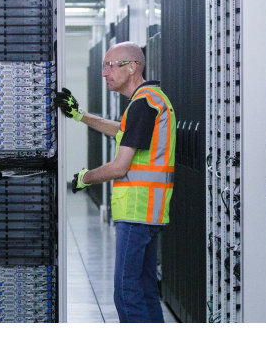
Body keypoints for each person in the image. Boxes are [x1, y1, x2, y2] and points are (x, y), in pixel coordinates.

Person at [54, 41, 176, 323]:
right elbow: (122, 131)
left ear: (131, 67)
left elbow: (120, 167)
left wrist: (86, 178)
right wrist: (79, 115)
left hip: (136, 213)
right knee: (145, 291)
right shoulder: (150, 100)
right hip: (149, 212)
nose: (104, 73)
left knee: (126, 293)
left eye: (110, 65)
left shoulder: (143, 104)